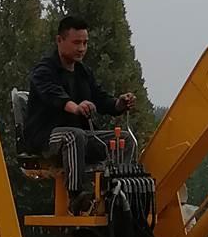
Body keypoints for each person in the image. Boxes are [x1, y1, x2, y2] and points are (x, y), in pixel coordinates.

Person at [23, 14, 135, 211]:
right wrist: (76, 107)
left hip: (81, 137)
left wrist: (119, 103)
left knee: (124, 140)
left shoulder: (84, 72)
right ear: (60, 40)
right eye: (76, 42)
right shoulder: (43, 70)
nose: (81, 48)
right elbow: (54, 96)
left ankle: (117, 192)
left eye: (85, 43)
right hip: (47, 137)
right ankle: (76, 196)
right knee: (74, 135)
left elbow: (101, 99)